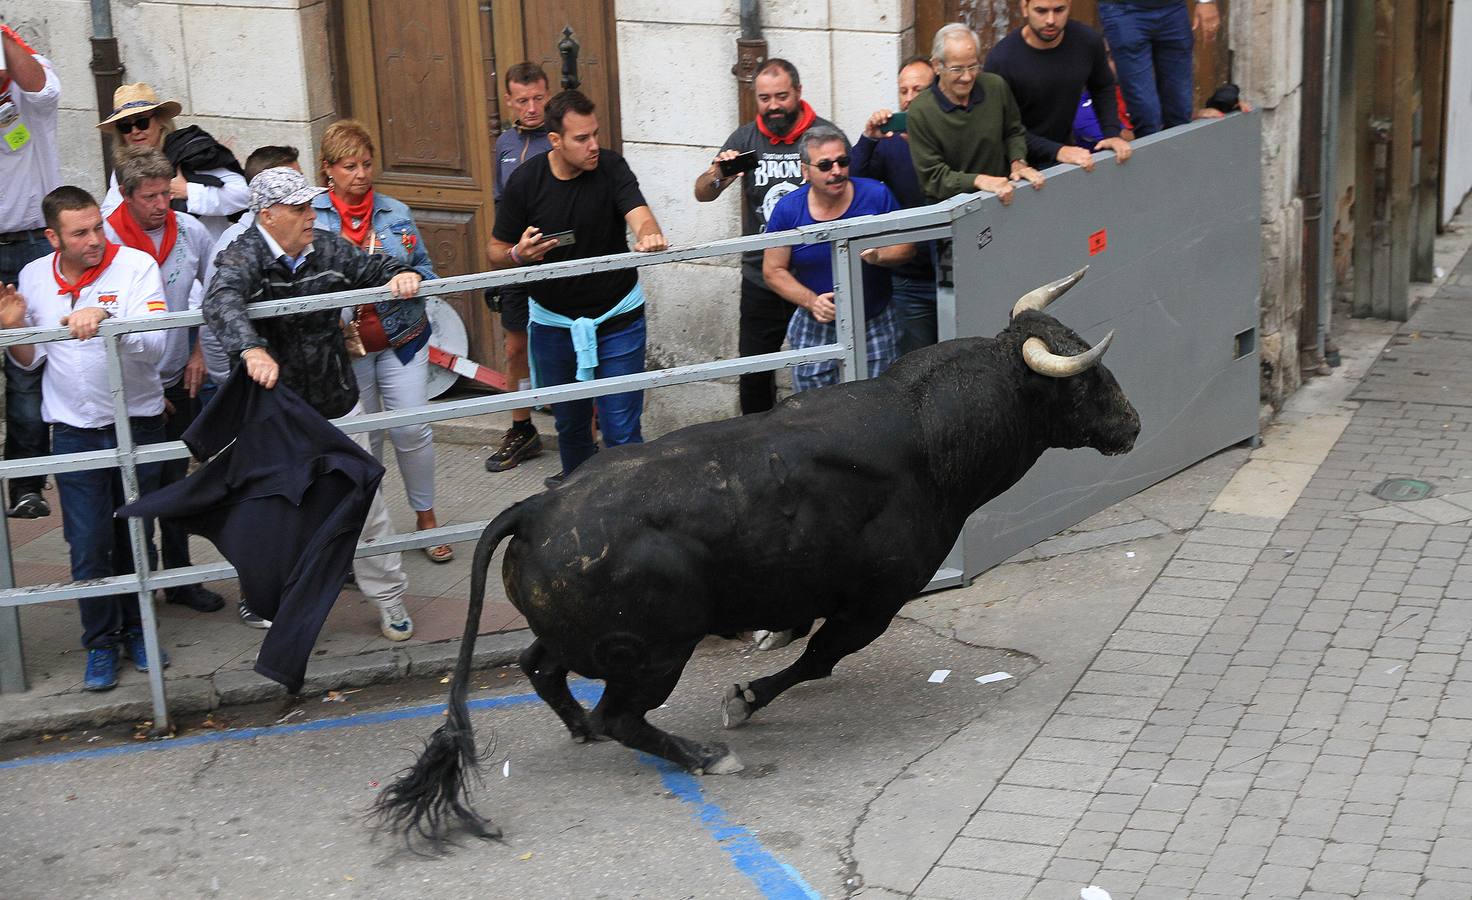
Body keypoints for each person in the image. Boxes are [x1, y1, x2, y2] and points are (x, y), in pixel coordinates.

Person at [202, 167, 419, 642]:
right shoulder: (243, 254)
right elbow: (220, 301)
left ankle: (389, 598)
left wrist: (402, 273)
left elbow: (375, 267)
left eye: (309, 206)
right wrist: (251, 348)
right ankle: (268, 598)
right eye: (299, 208)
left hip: (337, 400)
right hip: (277, 414)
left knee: (366, 502)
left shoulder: (326, 246)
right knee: (276, 510)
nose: (310, 215)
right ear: (267, 215)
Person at [0, 186, 168, 691]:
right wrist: (14, 331)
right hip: (73, 431)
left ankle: (139, 630)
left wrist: (108, 320)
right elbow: (32, 361)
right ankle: (100, 642)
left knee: (135, 535)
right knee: (88, 542)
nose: (95, 239)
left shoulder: (136, 265)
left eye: (98, 227)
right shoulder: (34, 275)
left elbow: (157, 345)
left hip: (137, 423)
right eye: (80, 233)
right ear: (53, 238)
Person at [489, 90, 667, 487]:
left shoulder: (611, 166)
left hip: (618, 318)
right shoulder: (526, 181)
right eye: (582, 138)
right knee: (570, 428)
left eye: (595, 134)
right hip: (553, 325)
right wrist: (518, 253)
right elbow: (495, 251)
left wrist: (649, 234)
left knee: (622, 431)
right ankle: (578, 510)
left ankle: (630, 513)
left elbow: (641, 216)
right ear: (555, 140)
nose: (593, 145)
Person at [311, 120, 453, 565]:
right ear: (327, 168)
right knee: (361, 442)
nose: (361, 174)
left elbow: (426, 268)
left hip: (401, 339)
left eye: (367, 164)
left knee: (411, 429)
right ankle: (369, 531)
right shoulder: (311, 215)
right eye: (349, 166)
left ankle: (427, 518)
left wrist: (413, 276)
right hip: (343, 350)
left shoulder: (395, 212)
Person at [101, 147, 225, 615]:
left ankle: (179, 578)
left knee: (177, 483)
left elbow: (215, 293)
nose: (161, 205)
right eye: (149, 197)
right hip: (129, 388)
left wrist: (198, 350)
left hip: (178, 377)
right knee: (135, 489)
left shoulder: (190, 230)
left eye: (166, 194)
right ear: (126, 195)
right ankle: (139, 580)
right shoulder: (106, 237)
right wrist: (146, 389)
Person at [693, 59, 837, 415]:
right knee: (754, 373)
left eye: (781, 96)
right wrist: (718, 175)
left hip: (816, 275)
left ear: (798, 92)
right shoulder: (746, 140)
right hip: (761, 277)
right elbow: (702, 193)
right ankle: (757, 441)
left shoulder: (824, 138)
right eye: (764, 98)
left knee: (825, 370)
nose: (773, 106)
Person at [762, 127, 914, 393]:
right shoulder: (788, 209)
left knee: (875, 404)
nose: (837, 171)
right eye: (825, 165)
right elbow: (773, 270)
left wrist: (879, 255)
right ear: (805, 170)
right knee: (813, 410)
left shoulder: (876, 195)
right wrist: (812, 302)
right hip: (815, 324)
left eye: (843, 161)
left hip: (874, 322)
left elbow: (907, 247)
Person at [0, 24, 60, 519]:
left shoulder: (30, 79)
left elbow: (37, 85)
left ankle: (26, 484)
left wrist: (3, 34)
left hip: (33, 244)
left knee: (26, 368)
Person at [484, 61, 551, 473]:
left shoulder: (559, 137)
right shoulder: (505, 144)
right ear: (509, 100)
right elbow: (499, 206)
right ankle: (522, 428)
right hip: (514, 261)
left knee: (568, 345)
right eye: (523, 100)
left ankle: (586, 429)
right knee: (514, 348)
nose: (531, 108)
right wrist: (502, 262)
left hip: (555, 259)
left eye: (538, 98)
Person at [852, 56, 941, 357]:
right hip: (910, 281)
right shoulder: (889, 144)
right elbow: (853, 183)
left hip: (960, 272)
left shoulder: (955, 134)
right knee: (918, 366)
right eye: (903, 91)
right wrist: (869, 138)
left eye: (918, 89)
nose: (909, 98)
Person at [983, 0, 1134, 171]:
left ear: (1069, 5)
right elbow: (999, 127)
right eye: (1041, 11)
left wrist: (1111, 133)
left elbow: (1102, 87)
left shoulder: (1086, 41)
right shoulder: (1002, 60)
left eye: (1059, 10)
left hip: (1064, 157)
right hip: (1015, 166)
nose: (1051, 20)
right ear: (1024, 7)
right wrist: (1056, 151)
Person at [200, 145, 300, 394]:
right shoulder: (232, 245)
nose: (302, 189)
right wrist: (229, 381)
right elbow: (213, 316)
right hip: (262, 385)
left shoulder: (314, 233)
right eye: (290, 182)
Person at [907, 23, 1042, 204]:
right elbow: (933, 179)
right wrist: (979, 181)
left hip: (1001, 198)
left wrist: (1018, 161)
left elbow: (1013, 132)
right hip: (951, 208)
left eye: (973, 67)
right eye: (957, 69)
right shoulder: (920, 111)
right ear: (937, 66)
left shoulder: (995, 87)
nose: (967, 77)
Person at [97, 83, 248, 240]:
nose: (135, 131)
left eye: (142, 122)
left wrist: (188, 191)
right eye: (125, 126)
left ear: (160, 121)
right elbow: (109, 213)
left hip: (207, 249)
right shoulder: (124, 167)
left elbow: (244, 194)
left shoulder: (191, 153)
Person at [1098, 0, 1220, 137]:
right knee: (1145, 114)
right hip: (1122, 8)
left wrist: (1206, 1)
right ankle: (1152, 149)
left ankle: (1177, 149)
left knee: (1180, 109)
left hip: (1173, 7)